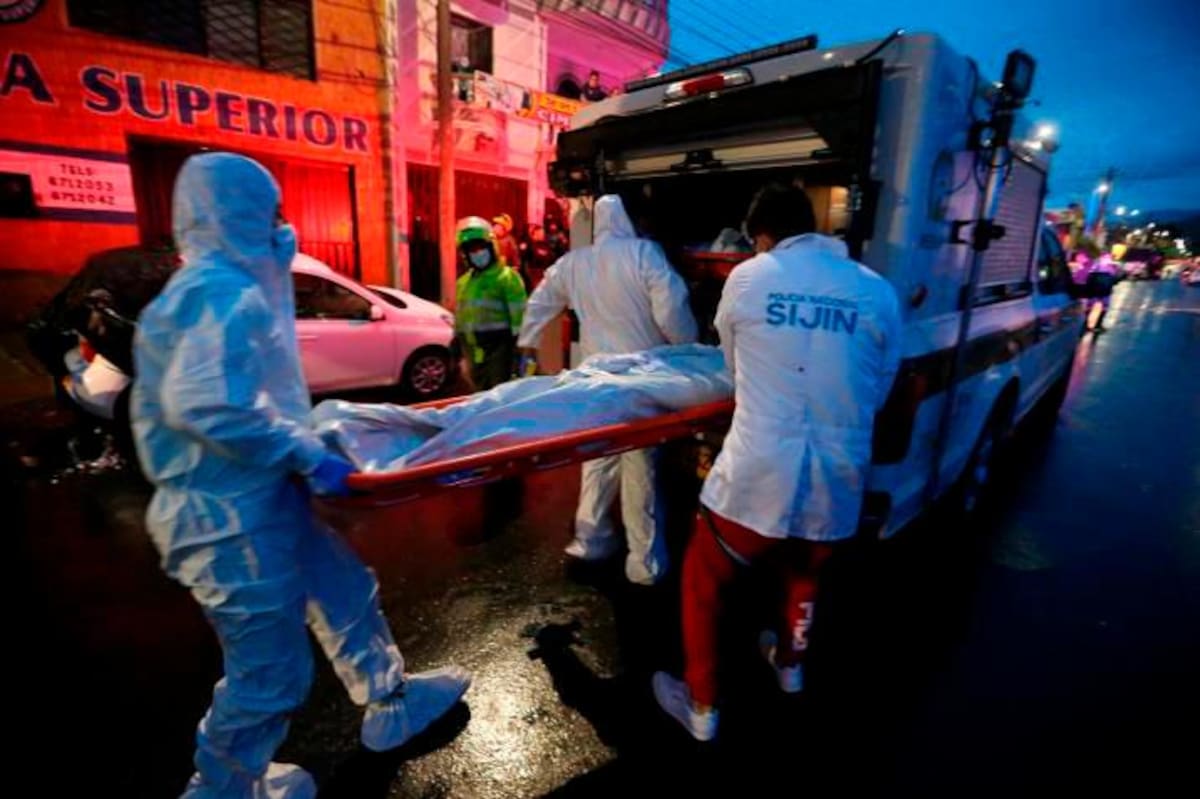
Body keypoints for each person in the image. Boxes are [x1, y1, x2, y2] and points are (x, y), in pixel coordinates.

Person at [132, 152, 471, 798]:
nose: (283, 229)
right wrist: (307, 454)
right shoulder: (219, 292)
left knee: (345, 591)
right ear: (239, 217)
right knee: (271, 673)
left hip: (266, 494)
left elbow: (252, 393)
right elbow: (207, 406)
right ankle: (223, 786)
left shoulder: (230, 286)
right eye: (273, 216)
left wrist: (302, 451)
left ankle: (391, 700)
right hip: (227, 521)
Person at [652, 185, 901, 741]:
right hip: (838, 475)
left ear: (763, 236)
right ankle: (790, 665)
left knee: (703, 579)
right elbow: (878, 390)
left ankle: (701, 705)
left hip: (757, 473)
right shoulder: (877, 291)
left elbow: (733, 369)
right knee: (804, 571)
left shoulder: (749, 278)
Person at [517, 194, 698, 585]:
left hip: (596, 379)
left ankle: (592, 537)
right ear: (628, 220)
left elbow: (541, 300)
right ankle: (644, 562)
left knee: (597, 458)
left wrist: (527, 342)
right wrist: (689, 350)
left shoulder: (574, 263)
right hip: (640, 379)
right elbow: (671, 309)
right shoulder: (644, 254)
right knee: (640, 468)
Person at [455, 216, 528, 391]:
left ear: (491, 247)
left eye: (481, 247)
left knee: (498, 396)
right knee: (478, 395)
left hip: (500, 351)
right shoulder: (463, 282)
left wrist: (519, 351)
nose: (477, 253)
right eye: (471, 250)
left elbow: (520, 317)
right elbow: (460, 317)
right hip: (473, 352)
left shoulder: (507, 278)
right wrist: (456, 343)